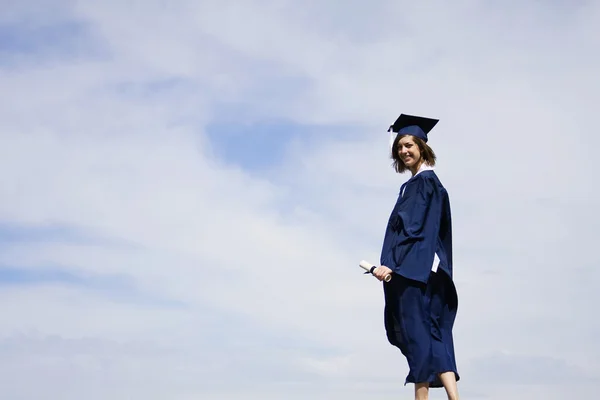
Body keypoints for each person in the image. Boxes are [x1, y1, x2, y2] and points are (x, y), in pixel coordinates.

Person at [372, 113, 460, 400]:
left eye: (409, 144)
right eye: (399, 146)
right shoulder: (422, 184)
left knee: (417, 335)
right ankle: (454, 397)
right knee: (435, 333)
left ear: (423, 146)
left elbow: (414, 230)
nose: (403, 151)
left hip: (413, 271)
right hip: (427, 270)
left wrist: (392, 267)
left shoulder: (423, 184)